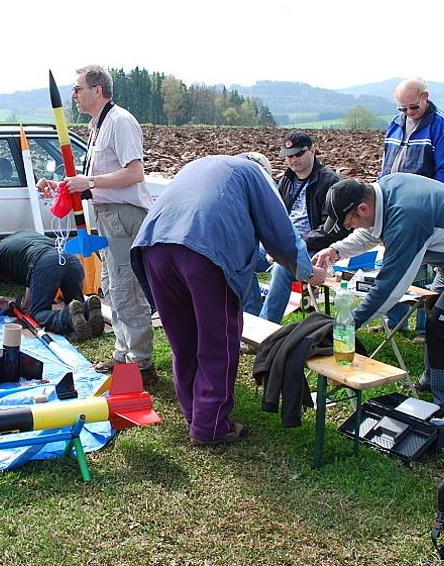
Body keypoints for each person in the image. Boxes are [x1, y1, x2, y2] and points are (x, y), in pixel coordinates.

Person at [133, 155, 328, 445]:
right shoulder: (254, 174)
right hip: (205, 251)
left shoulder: (199, 165)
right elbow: (280, 233)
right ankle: (210, 426)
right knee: (219, 340)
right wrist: (308, 272)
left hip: (153, 247)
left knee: (184, 338)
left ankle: (194, 412)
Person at [312, 174, 444, 417]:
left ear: (363, 208)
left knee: (443, 324)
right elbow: (371, 232)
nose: (349, 228)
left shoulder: (407, 218)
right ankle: (435, 380)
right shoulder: (383, 193)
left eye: (349, 222)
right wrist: (337, 250)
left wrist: (349, 324)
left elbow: (390, 287)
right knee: (434, 310)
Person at [56, 64, 157, 385]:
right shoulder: (98, 125)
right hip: (106, 215)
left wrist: (89, 181)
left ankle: (141, 364)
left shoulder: (120, 122)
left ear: (97, 90)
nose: (74, 95)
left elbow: (134, 173)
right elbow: (98, 178)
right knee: (112, 287)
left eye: (78, 89)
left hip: (124, 216)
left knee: (126, 289)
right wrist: (66, 186)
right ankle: (123, 355)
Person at [377, 78, 444, 337]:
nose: (408, 113)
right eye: (402, 109)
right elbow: (387, 164)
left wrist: (432, 205)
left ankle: (425, 327)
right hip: (395, 205)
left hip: (424, 208)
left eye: (413, 107)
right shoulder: (395, 124)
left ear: (425, 97)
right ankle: (395, 320)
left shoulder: (442, 124)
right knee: (394, 260)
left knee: (423, 264)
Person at [258, 131, 344, 323]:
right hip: (282, 242)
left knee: (282, 268)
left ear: (313, 150)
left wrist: (290, 246)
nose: (293, 159)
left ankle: (265, 327)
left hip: (312, 247)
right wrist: (273, 244)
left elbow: (330, 230)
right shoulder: (286, 181)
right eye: (289, 155)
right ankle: (251, 313)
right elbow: (275, 217)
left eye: (299, 154)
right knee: (242, 256)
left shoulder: (330, 183)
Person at [0, 230, 104, 340]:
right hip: (71, 259)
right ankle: (89, 311)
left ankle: (66, 318)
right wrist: (26, 305)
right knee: (75, 305)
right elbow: (32, 282)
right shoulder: (24, 236)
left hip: (46, 262)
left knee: (38, 313)